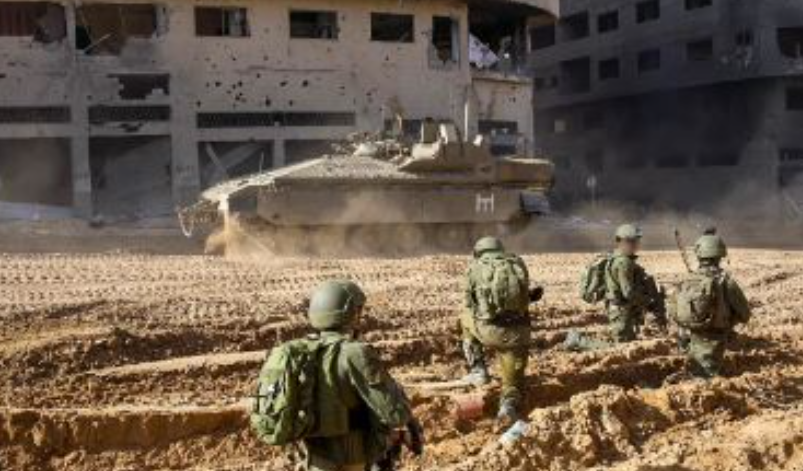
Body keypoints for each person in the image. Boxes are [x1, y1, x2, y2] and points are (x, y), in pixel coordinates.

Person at [254, 280, 423, 471]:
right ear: (349, 313)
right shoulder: (354, 353)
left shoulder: (300, 353)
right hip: (347, 461)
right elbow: (396, 414)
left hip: (310, 459)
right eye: (358, 311)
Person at [460, 236, 538, 425]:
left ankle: (478, 369)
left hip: (490, 332)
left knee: (464, 317)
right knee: (512, 385)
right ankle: (507, 407)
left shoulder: (475, 267)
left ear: (479, 251)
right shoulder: (517, 263)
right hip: (519, 336)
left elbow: (470, 303)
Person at [566, 223, 664, 351]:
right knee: (620, 348)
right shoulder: (624, 262)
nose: (635, 244)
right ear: (621, 241)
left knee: (625, 342)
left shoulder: (617, 258)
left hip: (619, 308)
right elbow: (628, 292)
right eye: (631, 241)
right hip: (620, 309)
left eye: (636, 241)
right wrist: (648, 302)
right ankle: (578, 340)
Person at [671, 234, 751, 378]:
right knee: (707, 378)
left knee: (695, 371)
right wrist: (729, 320)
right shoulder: (725, 281)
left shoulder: (687, 280)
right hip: (715, 340)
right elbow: (745, 314)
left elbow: (673, 310)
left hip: (691, 337)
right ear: (719, 256)